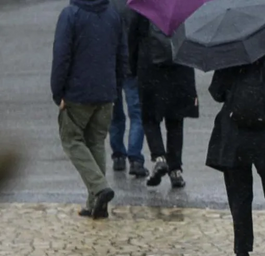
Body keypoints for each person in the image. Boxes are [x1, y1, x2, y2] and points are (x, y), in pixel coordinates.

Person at [206, 54, 265, 256]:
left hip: (235, 140)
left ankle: (241, 254)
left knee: (240, 197)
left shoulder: (227, 63)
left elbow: (216, 93)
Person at [50, 0, 127, 219]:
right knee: (95, 142)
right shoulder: (113, 14)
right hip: (106, 92)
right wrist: (115, 87)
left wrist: (58, 92)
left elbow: (61, 56)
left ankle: (99, 188)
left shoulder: (70, 15)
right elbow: (122, 55)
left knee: (72, 140)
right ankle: (97, 204)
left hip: (77, 93)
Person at [129, 14, 198, 189]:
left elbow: (133, 41)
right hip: (179, 70)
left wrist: (132, 68)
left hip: (151, 70)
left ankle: (159, 157)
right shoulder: (183, 8)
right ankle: (175, 170)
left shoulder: (144, 9)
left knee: (150, 119)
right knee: (175, 121)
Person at [107, 0, 146, 178]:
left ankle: (118, 155)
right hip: (133, 66)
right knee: (136, 114)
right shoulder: (137, 5)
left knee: (115, 114)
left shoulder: (106, 7)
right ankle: (135, 157)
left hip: (111, 68)